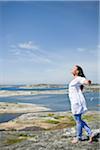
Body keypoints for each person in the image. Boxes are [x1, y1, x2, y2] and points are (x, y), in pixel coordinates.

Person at [69, 65, 94, 144]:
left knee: (78, 121)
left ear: (77, 71)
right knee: (78, 120)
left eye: (74, 68)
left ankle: (78, 137)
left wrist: (88, 82)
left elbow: (84, 81)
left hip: (77, 102)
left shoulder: (79, 78)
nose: (72, 69)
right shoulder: (76, 79)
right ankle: (90, 133)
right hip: (75, 102)